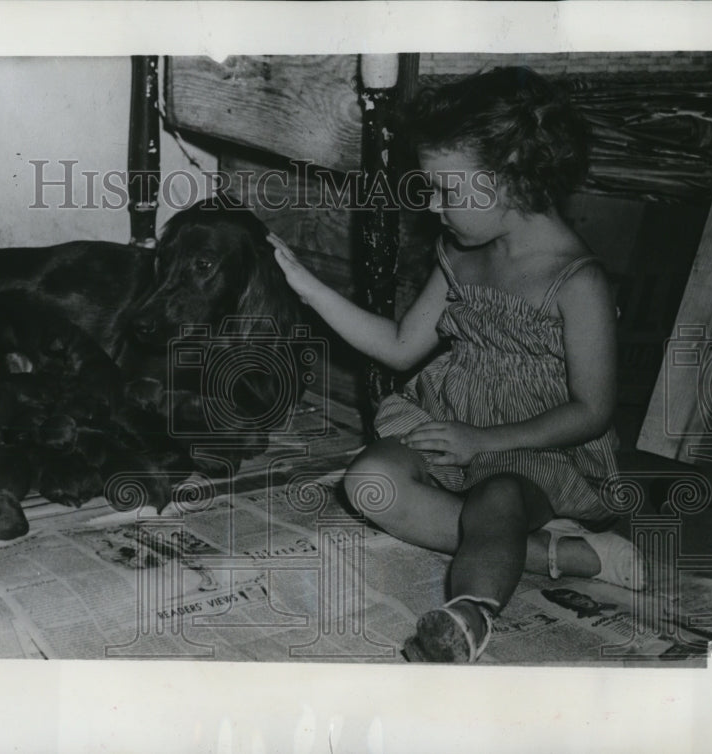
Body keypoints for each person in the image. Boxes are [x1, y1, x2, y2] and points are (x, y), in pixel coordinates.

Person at [271, 66, 645, 663]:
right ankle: (563, 556)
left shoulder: (579, 282)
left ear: (509, 181)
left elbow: (593, 411)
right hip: (456, 429)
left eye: (445, 190)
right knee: (367, 481)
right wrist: (306, 285)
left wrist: (484, 441)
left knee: (496, 497)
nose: (433, 208)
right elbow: (398, 345)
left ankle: (469, 615)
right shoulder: (460, 255)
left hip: (540, 453)